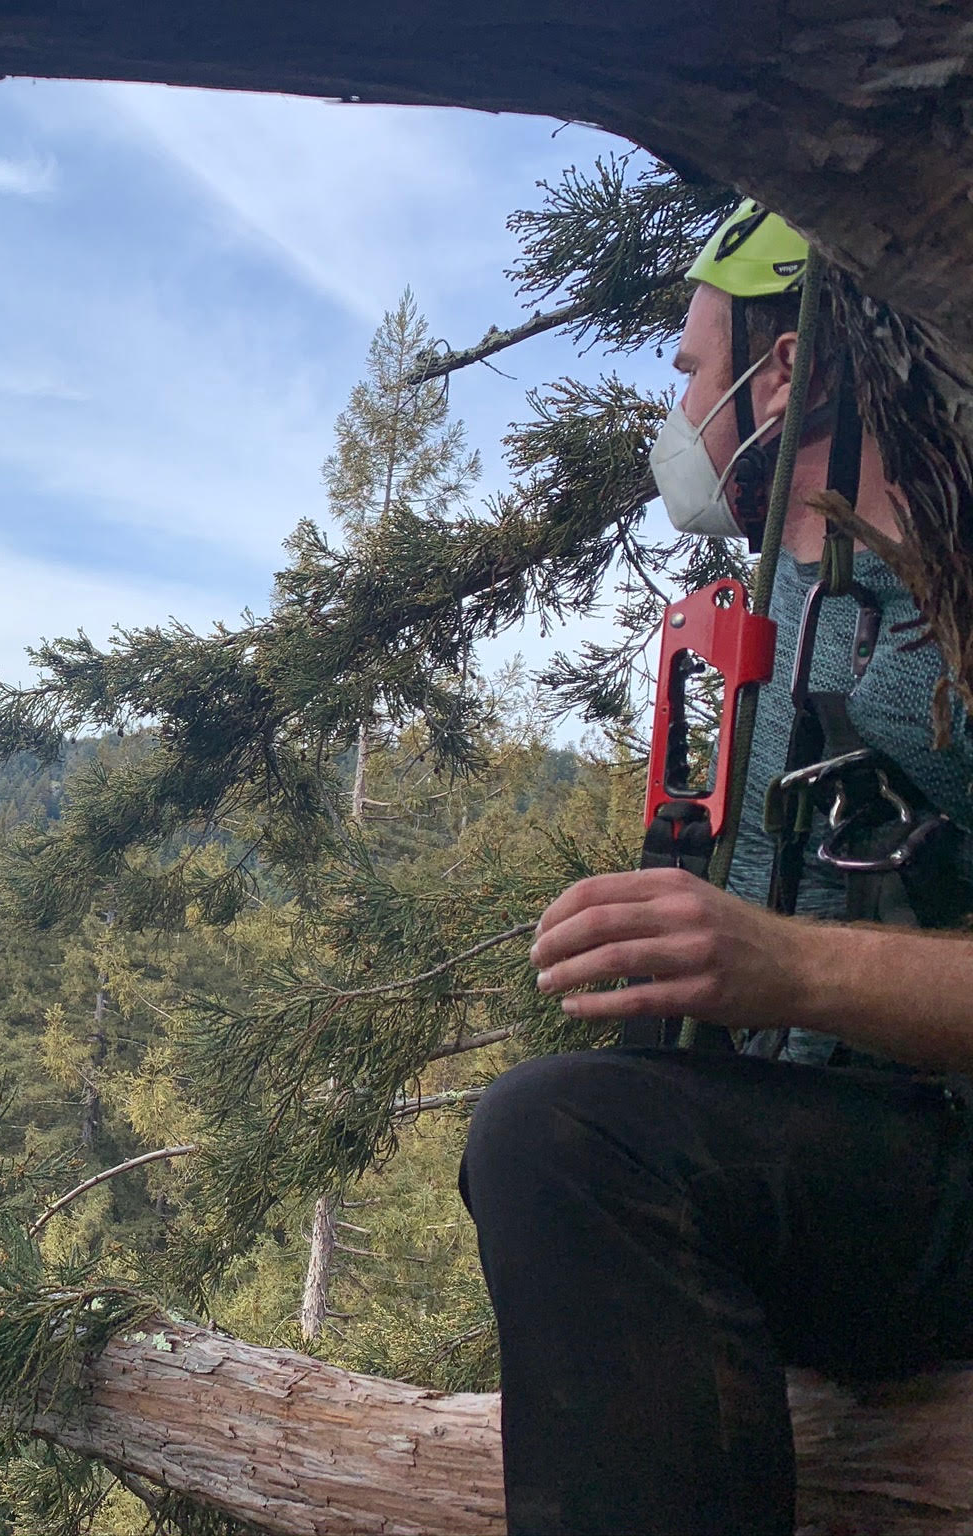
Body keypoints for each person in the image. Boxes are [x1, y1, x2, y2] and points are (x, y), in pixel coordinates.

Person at [459, 201, 973, 1536]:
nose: (680, 400)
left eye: (694, 366)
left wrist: (787, 964)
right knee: (590, 1114)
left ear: (787, 365)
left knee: (565, 1135)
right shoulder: (784, 591)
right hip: (873, 1169)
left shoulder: (957, 594)